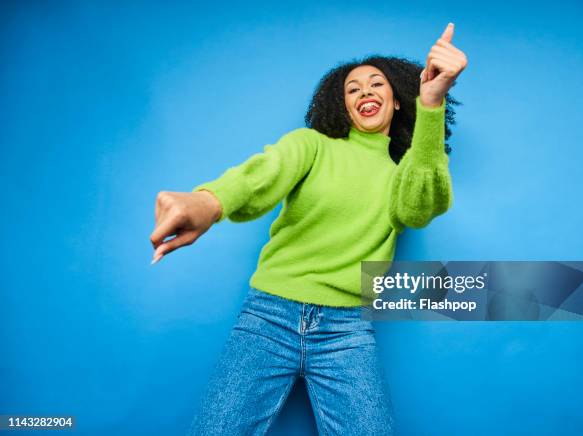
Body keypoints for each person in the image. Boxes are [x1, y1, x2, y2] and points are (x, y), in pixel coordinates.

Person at [150, 22, 467, 436]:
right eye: (353, 89)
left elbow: (422, 204)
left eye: (377, 85)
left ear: (396, 102)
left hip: (347, 331)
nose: (365, 92)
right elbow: (263, 172)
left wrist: (432, 102)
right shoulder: (312, 145)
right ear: (343, 106)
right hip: (268, 318)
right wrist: (209, 201)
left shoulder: (402, 176)